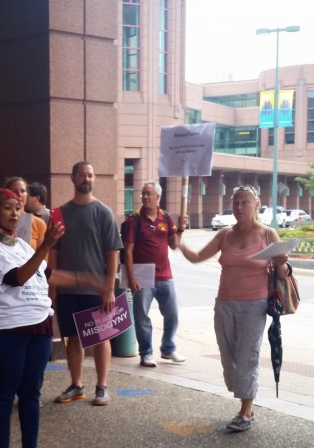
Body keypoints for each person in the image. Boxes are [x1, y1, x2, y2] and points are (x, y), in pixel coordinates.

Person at [0, 189, 107, 448]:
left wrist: (87, 280)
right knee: (4, 396)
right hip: (4, 330)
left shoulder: (21, 244)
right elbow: (16, 278)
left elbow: (45, 275)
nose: (13, 213)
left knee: (31, 396)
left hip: (39, 327)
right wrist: (46, 246)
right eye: (7, 207)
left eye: (17, 208)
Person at [178, 185, 289, 431]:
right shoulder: (225, 234)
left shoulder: (268, 235)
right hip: (225, 303)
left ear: (257, 204)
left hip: (255, 304)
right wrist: (179, 243)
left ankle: (246, 411)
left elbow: (282, 272)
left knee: (247, 356)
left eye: (245, 203)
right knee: (228, 358)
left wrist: (281, 263)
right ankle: (243, 393)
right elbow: (197, 257)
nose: (239, 207)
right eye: (236, 202)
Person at [50, 161, 121, 406]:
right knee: (72, 338)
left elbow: (113, 254)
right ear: (72, 178)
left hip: (96, 290)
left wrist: (109, 289)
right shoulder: (59, 213)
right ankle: (76, 385)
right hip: (68, 290)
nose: (86, 179)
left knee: (102, 338)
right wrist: (53, 287)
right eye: (82, 175)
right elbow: (54, 252)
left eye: (90, 175)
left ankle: (102, 386)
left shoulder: (103, 212)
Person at [122, 181, 188, 367]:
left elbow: (174, 245)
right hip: (142, 275)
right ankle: (146, 352)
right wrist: (131, 277)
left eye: (148, 194)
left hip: (165, 275)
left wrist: (181, 229)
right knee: (142, 316)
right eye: (143, 193)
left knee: (173, 313)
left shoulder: (166, 218)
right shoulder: (134, 220)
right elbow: (128, 250)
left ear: (158, 197)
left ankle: (168, 349)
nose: (144, 197)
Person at [4, 177, 46, 250]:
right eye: (15, 191)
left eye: (23, 191)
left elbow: (43, 256)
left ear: (27, 194)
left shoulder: (39, 223)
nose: (19, 194)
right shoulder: (0, 222)